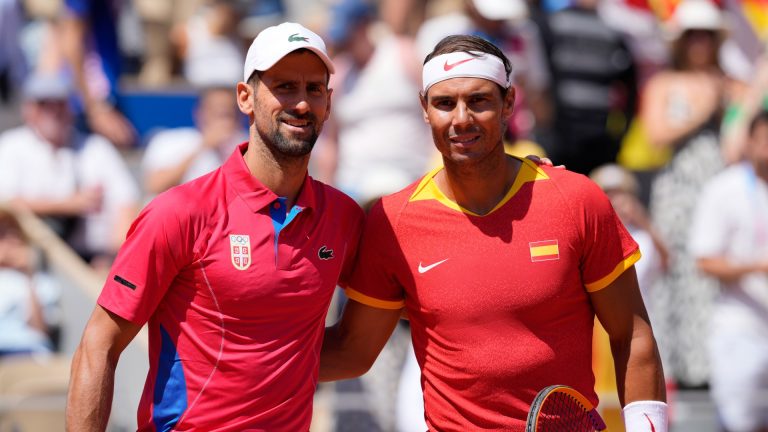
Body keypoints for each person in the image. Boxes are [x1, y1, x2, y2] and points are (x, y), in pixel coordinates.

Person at [320, 34, 668, 431]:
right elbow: (352, 351)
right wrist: (241, 359)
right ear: (424, 109)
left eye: (479, 100)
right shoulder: (393, 221)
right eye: (445, 103)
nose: (461, 118)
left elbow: (633, 335)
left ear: (508, 103)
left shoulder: (576, 199)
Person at [65, 22, 364, 431]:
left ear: (328, 102)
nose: (300, 103)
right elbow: (97, 347)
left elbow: (353, 352)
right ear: (245, 97)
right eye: (284, 87)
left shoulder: (343, 217)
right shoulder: (180, 211)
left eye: (314, 89)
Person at [0, 73, 140, 267]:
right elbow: (6, 205)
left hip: (92, 259)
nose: (54, 111)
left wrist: (115, 259)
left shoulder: (95, 147)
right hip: (30, 259)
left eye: (60, 103)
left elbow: (126, 202)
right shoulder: (11, 146)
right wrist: (69, 204)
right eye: (44, 104)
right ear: (28, 109)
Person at [689, 109, 768, 432]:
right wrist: (757, 266)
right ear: (748, 142)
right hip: (741, 327)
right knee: (739, 423)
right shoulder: (725, 189)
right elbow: (704, 259)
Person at [141, 85, 246, 195]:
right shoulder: (170, 140)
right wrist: (203, 146)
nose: (221, 120)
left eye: (227, 114)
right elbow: (155, 185)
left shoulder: (247, 146)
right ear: (199, 113)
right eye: (215, 112)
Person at [0, 208, 61, 356]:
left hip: (25, 351)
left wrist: (29, 276)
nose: (11, 240)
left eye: (15, 234)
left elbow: (39, 330)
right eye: (3, 234)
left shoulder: (41, 282)